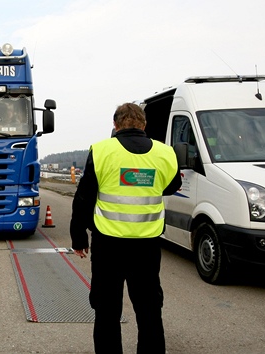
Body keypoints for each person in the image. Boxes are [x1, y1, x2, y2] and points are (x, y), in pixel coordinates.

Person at [69, 103, 181, 353]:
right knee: (150, 309)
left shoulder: (102, 151)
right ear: (144, 125)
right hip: (147, 246)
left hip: (108, 245)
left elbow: (84, 198)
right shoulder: (165, 153)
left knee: (107, 310)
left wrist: (79, 239)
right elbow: (172, 186)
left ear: (115, 125)